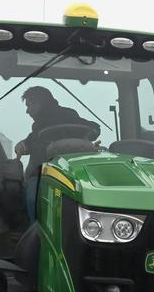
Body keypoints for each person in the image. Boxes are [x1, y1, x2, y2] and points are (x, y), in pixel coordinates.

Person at [15, 86, 99, 218]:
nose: (27, 111)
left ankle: (36, 231)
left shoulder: (69, 116)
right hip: (71, 175)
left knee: (33, 198)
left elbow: (93, 128)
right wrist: (23, 145)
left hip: (52, 173)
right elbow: (30, 141)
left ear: (39, 103)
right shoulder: (39, 127)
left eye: (29, 105)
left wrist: (89, 135)